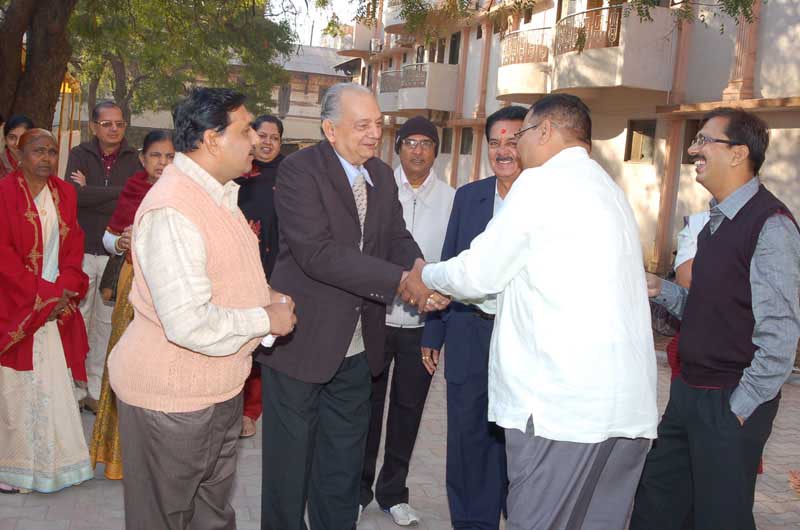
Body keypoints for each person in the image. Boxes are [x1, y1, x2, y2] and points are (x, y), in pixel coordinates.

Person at [402, 94, 658, 530]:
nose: (515, 147)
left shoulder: (542, 183)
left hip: (563, 413)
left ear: (545, 131)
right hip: (624, 414)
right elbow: (525, 284)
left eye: (520, 135)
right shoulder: (608, 189)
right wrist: (451, 293)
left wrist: (426, 276)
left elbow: (480, 271)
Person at [258, 83, 446, 530]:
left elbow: (396, 236)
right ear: (329, 129)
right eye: (362, 125)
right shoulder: (300, 171)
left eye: (378, 124)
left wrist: (421, 271)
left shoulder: (380, 174)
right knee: (289, 472)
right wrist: (400, 281)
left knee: (341, 471)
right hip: (302, 344)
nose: (374, 134)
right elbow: (317, 253)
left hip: (360, 350)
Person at [107, 88, 297, 530]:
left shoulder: (219, 195)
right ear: (212, 139)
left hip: (218, 389)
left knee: (210, 517)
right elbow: (188, 322)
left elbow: (223, 278)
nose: (256, 139)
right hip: (172, 401)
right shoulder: (174, 208)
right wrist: (265, 319)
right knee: (164, 519)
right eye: (245, 130)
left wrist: (267, 297)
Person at [631, 108, 800, 530]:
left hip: (730, 400)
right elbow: (709, 309)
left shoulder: (771, 225)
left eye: (704, 140)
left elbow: (780, 335)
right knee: (656, 507)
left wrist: (738, 410)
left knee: (720, 517)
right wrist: (660, 288)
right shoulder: (715, 223)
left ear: (739, 153)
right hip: (688, 393)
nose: (694, 150)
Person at [420, 105, 528, 530]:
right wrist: (434, 331)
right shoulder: (469, 197)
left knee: (513, 437)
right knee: (468, 437)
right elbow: (450, 262)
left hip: (522, 340)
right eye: (495, 142)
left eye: (513, 141)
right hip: (469, 334)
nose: (503, 151)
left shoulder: (542, 200)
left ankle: (517, 514)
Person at [360, 116, 455, 526]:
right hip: (376, 318)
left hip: (423, 327)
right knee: (366, 409)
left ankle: (393, 492)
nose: (418, 150)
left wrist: (439, 326)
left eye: (426, 143)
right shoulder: (376, 189)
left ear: (436, 151)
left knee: (408, 411)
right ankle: (358, 490)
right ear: (397, 147)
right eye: (410, 142)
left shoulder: (452, 200)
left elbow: (454, 265)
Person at [0, 129, 93, 494]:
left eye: (52, 152)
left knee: (53, 386)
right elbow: (4, 255)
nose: (46, 158)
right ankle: (12, 469)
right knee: (16, 388)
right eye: (38, 151)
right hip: (15, 304)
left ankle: (57, 465)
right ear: (19, 155)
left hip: (54, 307)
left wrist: (65, 290)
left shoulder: (65, 192)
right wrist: (46, 295)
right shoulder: (4, 192)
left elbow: (74, 246)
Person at [88, 130, 175, 480]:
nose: (162, 163)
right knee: (126, 361)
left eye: (170, 156)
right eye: (156, 156)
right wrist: (120, 242)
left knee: (163, 367)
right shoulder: (134, 189)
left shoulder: (186, 192)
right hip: (134, 284)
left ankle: (160, 455)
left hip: (172, 288)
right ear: (142, 159)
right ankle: (117, 454)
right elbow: (108, 238)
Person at [66, 101, 142, 413]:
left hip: (115, 254)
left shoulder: (134, 158)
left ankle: (96, 388)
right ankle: (74, 388)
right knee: (77, 319)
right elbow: (74, 196)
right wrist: (118, 192)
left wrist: (92, 192)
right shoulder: (80, 154)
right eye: (107, 124)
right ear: (93, 127)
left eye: (119, 124)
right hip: (82, 250)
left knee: (104, 323)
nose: (114, 129)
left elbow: (135, 198)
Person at [235, 114, 285, 438]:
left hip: (276, 266)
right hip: (238, 266)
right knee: (241, 338)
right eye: (262, 136)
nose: (267, 142)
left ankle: (251, 410)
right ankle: (232, 405)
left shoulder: (290, 174)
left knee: (266, 341)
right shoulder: (237, 171)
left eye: (274, 138)